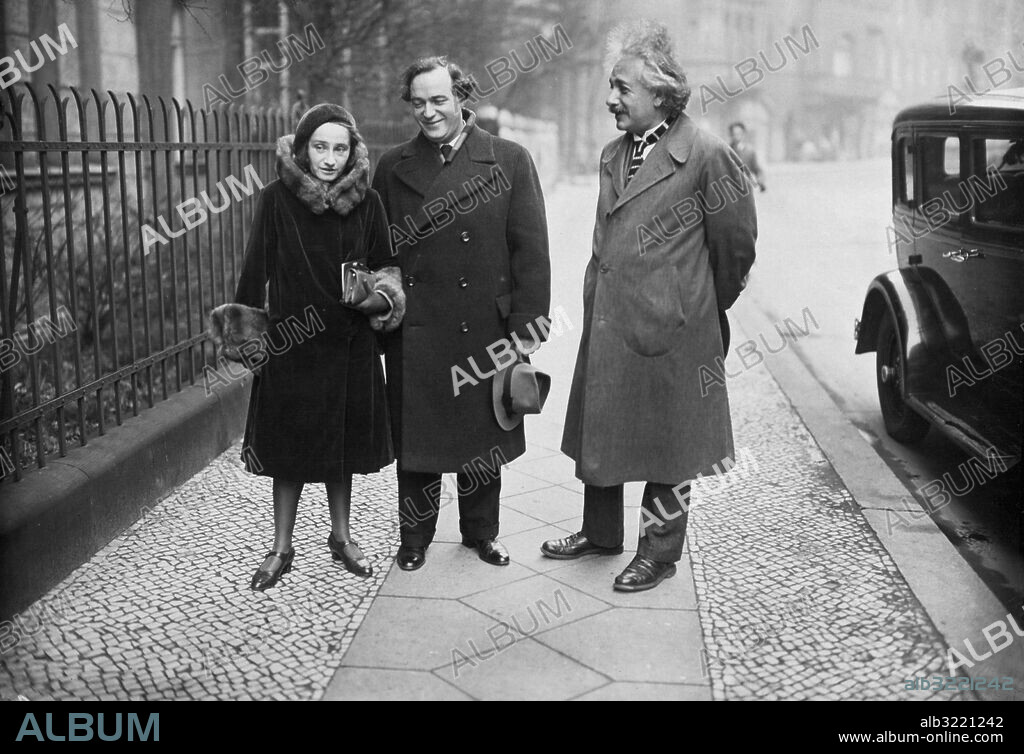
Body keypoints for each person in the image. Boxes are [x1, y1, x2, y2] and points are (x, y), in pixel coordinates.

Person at [544, 21, 757, 592]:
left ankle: (659, 552)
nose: (610, 98)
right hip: (611, 319)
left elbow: (735, 249)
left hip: (674, 327)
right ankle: (600, 532)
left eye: (621, 88)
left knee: (670, 442)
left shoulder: (707, 154)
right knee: (604, 426)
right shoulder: (614, 153)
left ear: (660, 94)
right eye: (611, 85)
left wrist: (695, 304)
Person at [372, 56, 550, 572]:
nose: (429, 112)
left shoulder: (508, 160)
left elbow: (531, 253)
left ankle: (482, 533)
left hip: (484, 324)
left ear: (461, 97)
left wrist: (527, 328)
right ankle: (414, 538)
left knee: (481, 437)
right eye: (419, 102)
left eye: (439, 100)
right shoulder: (392, 166)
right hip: (418, 326)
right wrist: (384, 310)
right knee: (418, 440)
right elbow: (381, 253)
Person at [234, 103, 405, 591]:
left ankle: (341, 536)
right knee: (288, 449)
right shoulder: (275, 200)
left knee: (341, 446)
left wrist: (379, 296)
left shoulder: (368, 203)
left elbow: (387, 267)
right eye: (320, 147)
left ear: (353, 152)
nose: (330, 158)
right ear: (303, 148)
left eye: (340, 148)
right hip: (290, 347)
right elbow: (254, 270)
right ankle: (281, 546)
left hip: (349, 345)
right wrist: (250, 341)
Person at [728, 122, 766, 192]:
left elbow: (757, 169)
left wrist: (761, 182)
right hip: (730, 189)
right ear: (730, 135)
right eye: (734, 134)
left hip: (746, 189)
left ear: (743, 134)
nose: (736, 136)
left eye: (739, 133)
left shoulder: (750, 152)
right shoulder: (726, 150)